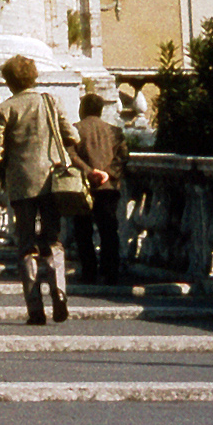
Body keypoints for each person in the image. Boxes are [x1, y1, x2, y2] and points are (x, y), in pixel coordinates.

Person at [0, 55, 88, 325]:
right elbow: (73, 136)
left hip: (21, 184)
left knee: (26, 244)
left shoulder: (5, 109)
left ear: (9, 81)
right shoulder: (50, 101)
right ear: (33, 76)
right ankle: (59, 291)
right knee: (52, 239)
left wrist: (9, 153)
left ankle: (35, 308)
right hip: (51, 181)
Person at [72, 93, 126, 285]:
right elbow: (122, 157)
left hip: (83, 186)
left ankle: (89, 271)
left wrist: (89, 172)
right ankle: (110, 270)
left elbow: (70, 155)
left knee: (83, 230)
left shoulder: (76, 130)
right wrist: (107, 173)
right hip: (108, 186)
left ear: (83, 109)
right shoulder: (115, 132)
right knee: (109, 230)